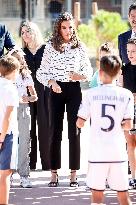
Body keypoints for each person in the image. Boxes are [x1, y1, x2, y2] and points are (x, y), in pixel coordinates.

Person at [37, 12, 93, 187]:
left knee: (74, 132)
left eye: (70, 27)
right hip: (56, 90)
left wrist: (80, 75)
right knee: (55, 131)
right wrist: (51, 82)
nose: (68, 30)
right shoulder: (50, 47)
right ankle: (54, 173)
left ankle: (73, 174)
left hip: (74, 89)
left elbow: (89, 72)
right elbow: (40, 72)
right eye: (64, 27)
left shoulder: (80, 47)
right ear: (58, 28)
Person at [76, 55, 133, 205]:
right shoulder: (126, 94)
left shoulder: (90, 94)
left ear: (100, 72)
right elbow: (128, 125)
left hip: (98, 152)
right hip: (117, 151)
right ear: (119, 72)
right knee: (123, 196)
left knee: (97, 196)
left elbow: (80, 122)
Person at [20, 21, 50, 170]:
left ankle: (47, 164)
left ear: (35, 32)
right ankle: (30, 164)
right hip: (27, 95)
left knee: (45, 127)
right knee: (29, 129)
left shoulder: (46, 50)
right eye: (23, 32)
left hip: (45, 93)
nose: (25, 35)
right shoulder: (20, 53)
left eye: (28, 31)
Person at [8, 47, 37, 188]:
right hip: (9, 111)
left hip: (24, 111)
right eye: (16, 58)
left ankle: (24, 175)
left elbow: (34, 96)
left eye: (20, 58)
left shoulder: (26, 76)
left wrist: (28, 98)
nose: (19, 61)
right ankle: (9, 174)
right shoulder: (5, 77)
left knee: (25, 142)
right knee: (10, 142)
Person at [0, 56, 20, 204]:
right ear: (13, 71)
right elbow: (7, 118)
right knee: (5, 173)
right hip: (6, 135)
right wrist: (1, 138)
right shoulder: (11, 89)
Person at [120, 38, 136, 189]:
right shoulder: (124, 69)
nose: (130, 54)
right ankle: (134, 177)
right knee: (130, 145)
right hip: (129, 111)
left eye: (133, 51)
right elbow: (121, 89)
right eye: (128, 51)